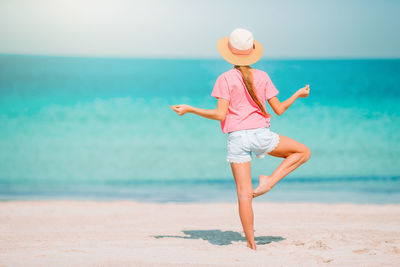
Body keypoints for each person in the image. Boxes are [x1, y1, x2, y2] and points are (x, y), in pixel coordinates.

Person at [170, 28, 311, 250]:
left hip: (237, 138)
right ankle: (270, 182)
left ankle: (251, 244)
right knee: (303, 152)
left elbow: (219, 115)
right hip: (260, 135)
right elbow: (279, 110)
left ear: (230, 53)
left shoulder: (224, 78)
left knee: (244, 195)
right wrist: (297, 94)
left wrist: (189, 109)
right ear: (252, 51)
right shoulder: (263, 76)